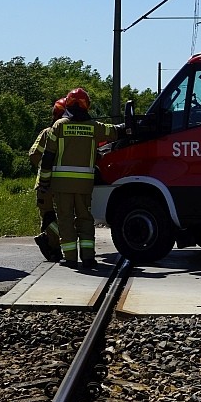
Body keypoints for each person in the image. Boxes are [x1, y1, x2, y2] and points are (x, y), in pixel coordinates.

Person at [39, 88, 125, 268]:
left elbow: (47, 157)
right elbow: (115, 132)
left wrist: (44, 182)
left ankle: (70, 259)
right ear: (87, 105)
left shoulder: (59, 125)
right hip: (84, 185)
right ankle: (88, 258)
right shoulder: (94, 126)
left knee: (65, 220)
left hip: (61, 185)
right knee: (85, 219)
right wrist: (133, 124)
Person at [27, 99, 67, 262]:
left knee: (51, 217)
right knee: (56, 217)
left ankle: (50, 243)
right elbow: (34, 155)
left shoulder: (47, 133)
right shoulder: (51, 133)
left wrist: (45, 169)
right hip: (55, 185)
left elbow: (34, 154)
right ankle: (51, 245)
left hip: (47, 184)